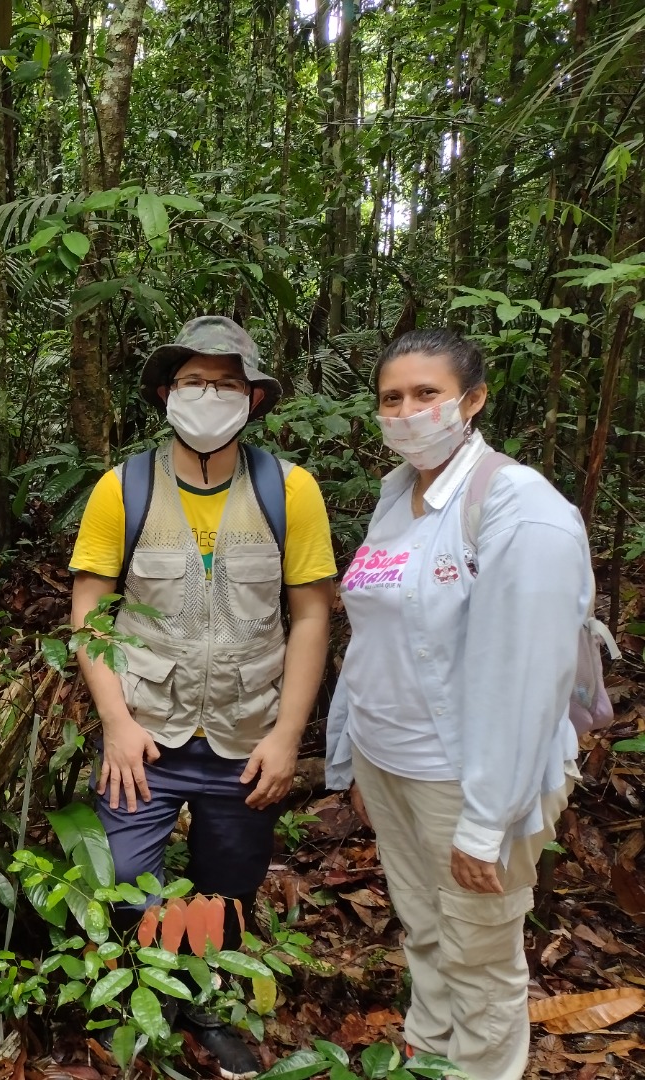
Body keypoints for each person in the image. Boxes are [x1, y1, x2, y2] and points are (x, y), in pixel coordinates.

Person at [69, 317, 336, 1079]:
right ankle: (140, 1000)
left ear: (252, 398)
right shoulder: (125, 486)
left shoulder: (290, 489)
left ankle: (205, 999)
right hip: (147, 729)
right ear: (164, 393)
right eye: (194, 381)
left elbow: (312, 613)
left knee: (229, 887)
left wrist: (288, 736)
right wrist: (115, 723)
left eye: (226, 383)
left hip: (247, 734)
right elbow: (89, 607)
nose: (209, 396)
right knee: (122, 880)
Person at [326, 329, 590, 1080]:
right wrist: (351, 754)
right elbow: (372, 633)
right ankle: (428, 1055)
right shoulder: (393, 496)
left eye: (427, 394)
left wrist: (487, 820)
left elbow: (525, 676)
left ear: (471, 400)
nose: (407, 411)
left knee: (479, 950)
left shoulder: (518, 504)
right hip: (392, 764)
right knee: (424, 928)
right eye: (391, 398)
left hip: (467, 779)